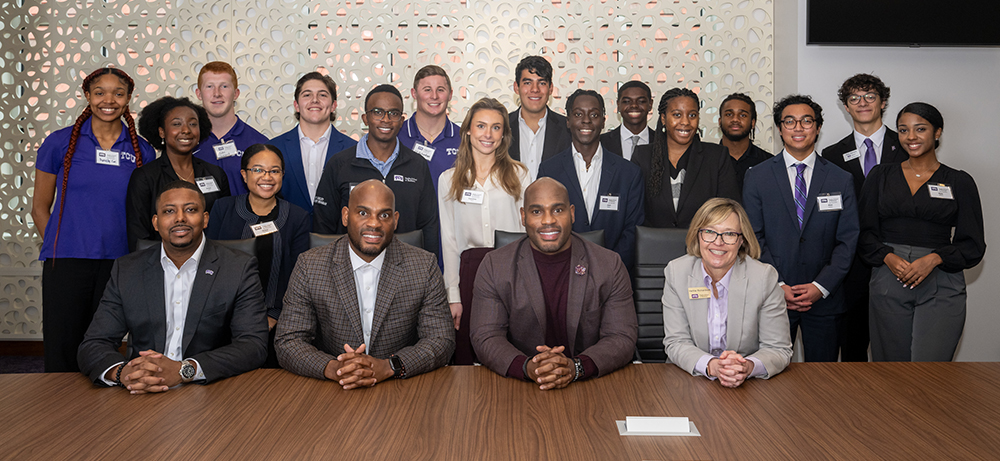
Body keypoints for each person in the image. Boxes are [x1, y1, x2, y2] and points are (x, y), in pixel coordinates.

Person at [78, 181, 268, 391]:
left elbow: (253, 345)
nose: (180, 218)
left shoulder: (238, 268)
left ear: (205, 219)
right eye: (169, 211)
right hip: (141, 390)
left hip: (211, 390)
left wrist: (184, 371)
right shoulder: (128, 269)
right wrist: (125, 373)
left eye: (190, 210)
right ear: (156, 222)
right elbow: (94, 343)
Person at [31, 67, 156, 372]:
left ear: (128, 99)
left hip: (119, 262)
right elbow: (39, 207)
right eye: (100, 92)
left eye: (118, 93)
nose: (108, 100)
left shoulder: (143, 150)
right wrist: (62, 243)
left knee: (104, 346)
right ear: (87, 96)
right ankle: (59, 410)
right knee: (63, 344)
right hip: (67, 260)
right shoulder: (58, 144)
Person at [275, 180, 454, 387]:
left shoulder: (424, 266)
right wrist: (335, 368)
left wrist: (390, 366)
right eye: (363, 213)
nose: (374, 223)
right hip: (332, 388)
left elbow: (442, 340)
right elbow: (288, 341)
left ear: (395, 221)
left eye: (384, 215)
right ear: (345, 216)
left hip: (401, 388)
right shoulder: (310, 265)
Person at [471, 178, 637, 390]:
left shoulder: (609, 264)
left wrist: (576, 367)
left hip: (590, 385)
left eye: (558, 210)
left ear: (572, 213)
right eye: (537, 211)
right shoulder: (495, 265)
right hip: (518, 387)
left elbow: (621, 336)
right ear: (523, 217)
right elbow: (486, 336)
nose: (548, 220)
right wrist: (528, 367)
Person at [858, 103, 985, 362]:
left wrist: (934, 258)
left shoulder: (960, 181)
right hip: (889, 274)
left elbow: (972, 244)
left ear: (937, 132)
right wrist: (889, 258)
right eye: (903, 130)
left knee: (932, 371)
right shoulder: (880, 176)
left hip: (941, 277)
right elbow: (863, 232)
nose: (911, 137)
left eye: (920, 129)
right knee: (890, 369)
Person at [743, 95, 858, 362]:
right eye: (790, 121)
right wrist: (778, 284)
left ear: (818, 127)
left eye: (806, 121)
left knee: (823, 380)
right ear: (780, 128)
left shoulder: (840, 179)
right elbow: (752, 236)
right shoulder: (757, 177)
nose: (798, 128)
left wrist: (821, 285)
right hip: (772, 296)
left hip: (824, 299)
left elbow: (848, 240)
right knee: (770, 376)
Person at [821, 73, 907, 362]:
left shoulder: (907, 148)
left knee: (897, 343)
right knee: (853, 344)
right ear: (846, 107)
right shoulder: (832, 154)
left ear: (883, 103)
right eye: (854, 98)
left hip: (897, 256)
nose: (862, 103)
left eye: (870, 96)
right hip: (851, 262)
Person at [662, 198, 792, 387]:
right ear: (698, 235)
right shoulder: (677, 272)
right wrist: (713, 366)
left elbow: (778, 349)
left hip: (748, 385)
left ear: (741, 240)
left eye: (729, 234)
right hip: (689, 380)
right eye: (709, 232)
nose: (718, 242)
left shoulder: (764, 277)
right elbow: (676, 342)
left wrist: (746, 367)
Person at [438, 97, 530, 365]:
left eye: (496, 127)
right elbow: (450, 241)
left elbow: (529, 232)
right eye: (481, 126)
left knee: (511, 350)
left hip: (514, 270)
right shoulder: (448, 179)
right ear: (468, 130)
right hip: (471, 272)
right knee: (469, 353)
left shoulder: (520, 175)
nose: (488, 134)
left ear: (504, 135)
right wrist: (452, 295)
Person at [206, 144, 310, 368]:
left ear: (282, 175)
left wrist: (274, 315)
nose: (267, 177)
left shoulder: (297, 217)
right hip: (222, 320)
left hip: (276, 322)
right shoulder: (222, 209)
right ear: (244, 175)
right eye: (258, 170)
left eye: (274, 171)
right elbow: (208, 267)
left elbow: (301, 277)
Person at [313, 84, 440, 256]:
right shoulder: (339, 164)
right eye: (378, 112)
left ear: (402, 120)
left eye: (393, 113)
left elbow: (429, 226)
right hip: (350, 264)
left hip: (406, 266)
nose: (386, 119)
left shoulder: (417, 165)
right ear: (365, 118)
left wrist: (428, 268)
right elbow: (323, 225)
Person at [538, 89, 645, 272]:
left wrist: (609, 266)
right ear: (568, 121)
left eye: (594, 114)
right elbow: (545, 224)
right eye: (578, 114)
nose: (586, 120)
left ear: (603, 121)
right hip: (562, 271)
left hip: (612, 272)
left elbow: (632, 231)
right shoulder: (549, 170)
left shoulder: (628, 173)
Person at [127, 97, 230, 251]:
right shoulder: (145, 177)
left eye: (192, 124)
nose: (186, 130)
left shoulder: (215, 173)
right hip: (162, 265)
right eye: (176, 124)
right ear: (161, 131)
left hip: (211, 262)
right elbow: (138, 235)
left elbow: (225, 225)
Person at [632, 88, 741, 229]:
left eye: (692, 115)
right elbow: (632, 212)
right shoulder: (642, 156)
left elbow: (729, 210)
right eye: (677, 115)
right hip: (652, 246)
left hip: (702, 247)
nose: (685, 122)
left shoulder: (716, 156)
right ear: (664, 118)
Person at [269, 72, 357, 216]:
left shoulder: (354, 150)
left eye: (322, 95)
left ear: (334, 105)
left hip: (336, 235)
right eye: (307, 95)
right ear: (296, 105)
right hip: (287, 235)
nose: (315, 100)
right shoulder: (273, 149)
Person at [193, 61, 270, 196]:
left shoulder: (259, 144)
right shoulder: (187, 142)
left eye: (224, 86)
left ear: (236, 93)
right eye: (209, 86)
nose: (217, 93)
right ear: (199, 94)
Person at [507, 56, 572, 179]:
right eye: (527, 83)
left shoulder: (568, 129)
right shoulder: (502, 126)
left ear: (551, 88)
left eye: (541, 83)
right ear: (516, 87)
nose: (535, 89)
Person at [398, 65, 461, 189]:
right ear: (414, 93)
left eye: (441, 90)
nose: (434, 96)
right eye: (427, 90)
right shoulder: (397, 136)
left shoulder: (464, 139)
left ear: (450, 94)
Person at [717, 92, 772, 191]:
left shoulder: (768, 163)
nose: (735, 119)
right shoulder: (707, 162)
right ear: (720, 121)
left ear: (753, 123)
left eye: (742, 115)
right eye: (729, 114)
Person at [600, 80, 654, 160]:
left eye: (641, 101)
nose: (634, 105)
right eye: (627, 101)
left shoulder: (663, 142)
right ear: (618, 105)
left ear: (650, 104)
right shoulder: (601, 143)